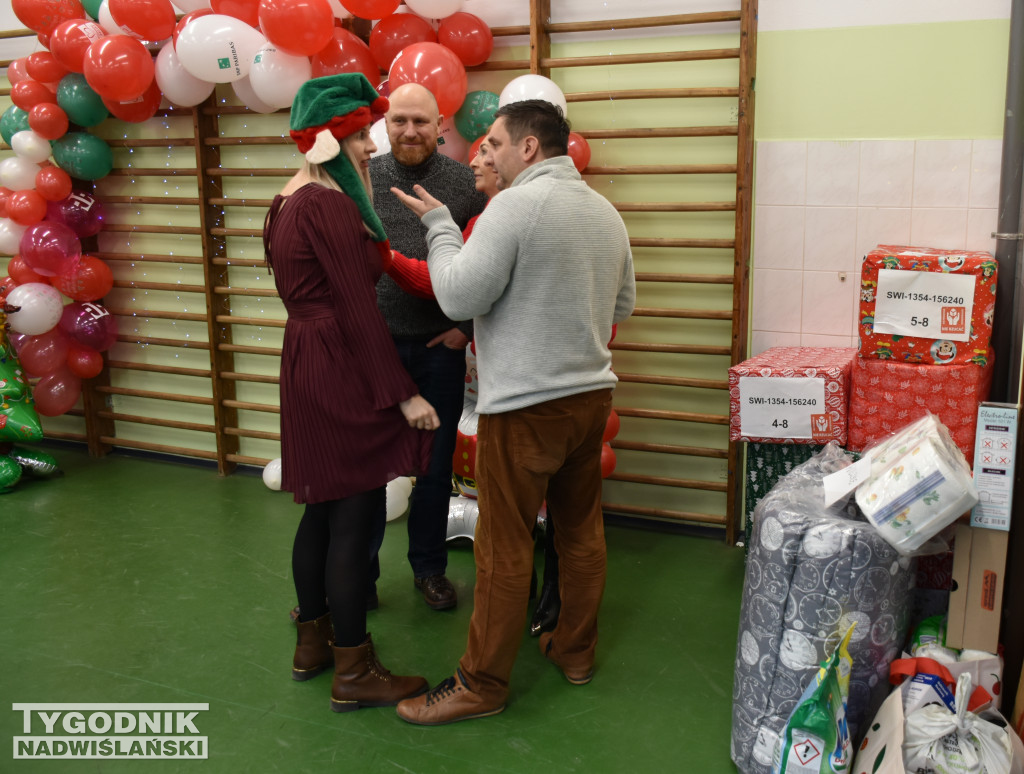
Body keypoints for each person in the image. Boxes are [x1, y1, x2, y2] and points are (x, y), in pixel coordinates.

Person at [389, 99, 636, 725]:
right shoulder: (605, 212)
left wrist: (442, 226)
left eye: (494, 143)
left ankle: (481, 684)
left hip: (525, 408)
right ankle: (574, 653)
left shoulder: (515, 206)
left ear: (528, 148)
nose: (483, 153)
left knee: (503, 549)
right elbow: (624, 303)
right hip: (589, 401)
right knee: (581, 536)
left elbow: (457, 293)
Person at [263, 73, 436, 713]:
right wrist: (402, 395)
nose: (371, 146)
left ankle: (313, 644)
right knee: (355, 513)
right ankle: (354, 669)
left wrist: (355, 182)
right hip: (339, 361)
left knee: (321, 508)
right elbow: (360, 311)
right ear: (332, 136)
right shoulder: (328, 205)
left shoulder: (288, 198)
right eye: (361, 135)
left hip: (305, 358)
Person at [369, 83, 488, 611]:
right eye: (400, 121)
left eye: (421, 122)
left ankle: (429, 570)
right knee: (370, 469)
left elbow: (489, 261)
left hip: (439, 350)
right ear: (386, 124)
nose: (410, 131)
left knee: (435, 468)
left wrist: (467, 325)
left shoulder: (467, 184)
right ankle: (360, 575)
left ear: (441, 125)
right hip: (375, 351)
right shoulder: (363, 179)